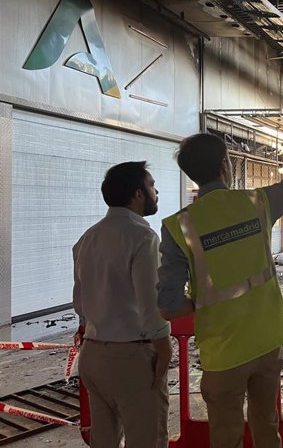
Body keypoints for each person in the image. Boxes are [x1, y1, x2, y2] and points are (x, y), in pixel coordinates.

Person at [158, 133, 283, 448]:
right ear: (226, 164)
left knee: (225, 437)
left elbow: (169, 306)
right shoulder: (257, 203)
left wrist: (200, 301)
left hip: (222, 352)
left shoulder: (179, 226)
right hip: (267, 339)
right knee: (267, 429)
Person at [73, 161, 171, 448]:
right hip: (132, 359)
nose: (156, 191)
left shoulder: (87, 238)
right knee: (147, 439)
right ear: (138, 194)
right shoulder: (142, 237)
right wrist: (164, 349)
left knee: (103, 440)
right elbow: (151, 301)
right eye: (152, 186)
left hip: (92, 355)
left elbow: (80, 302)